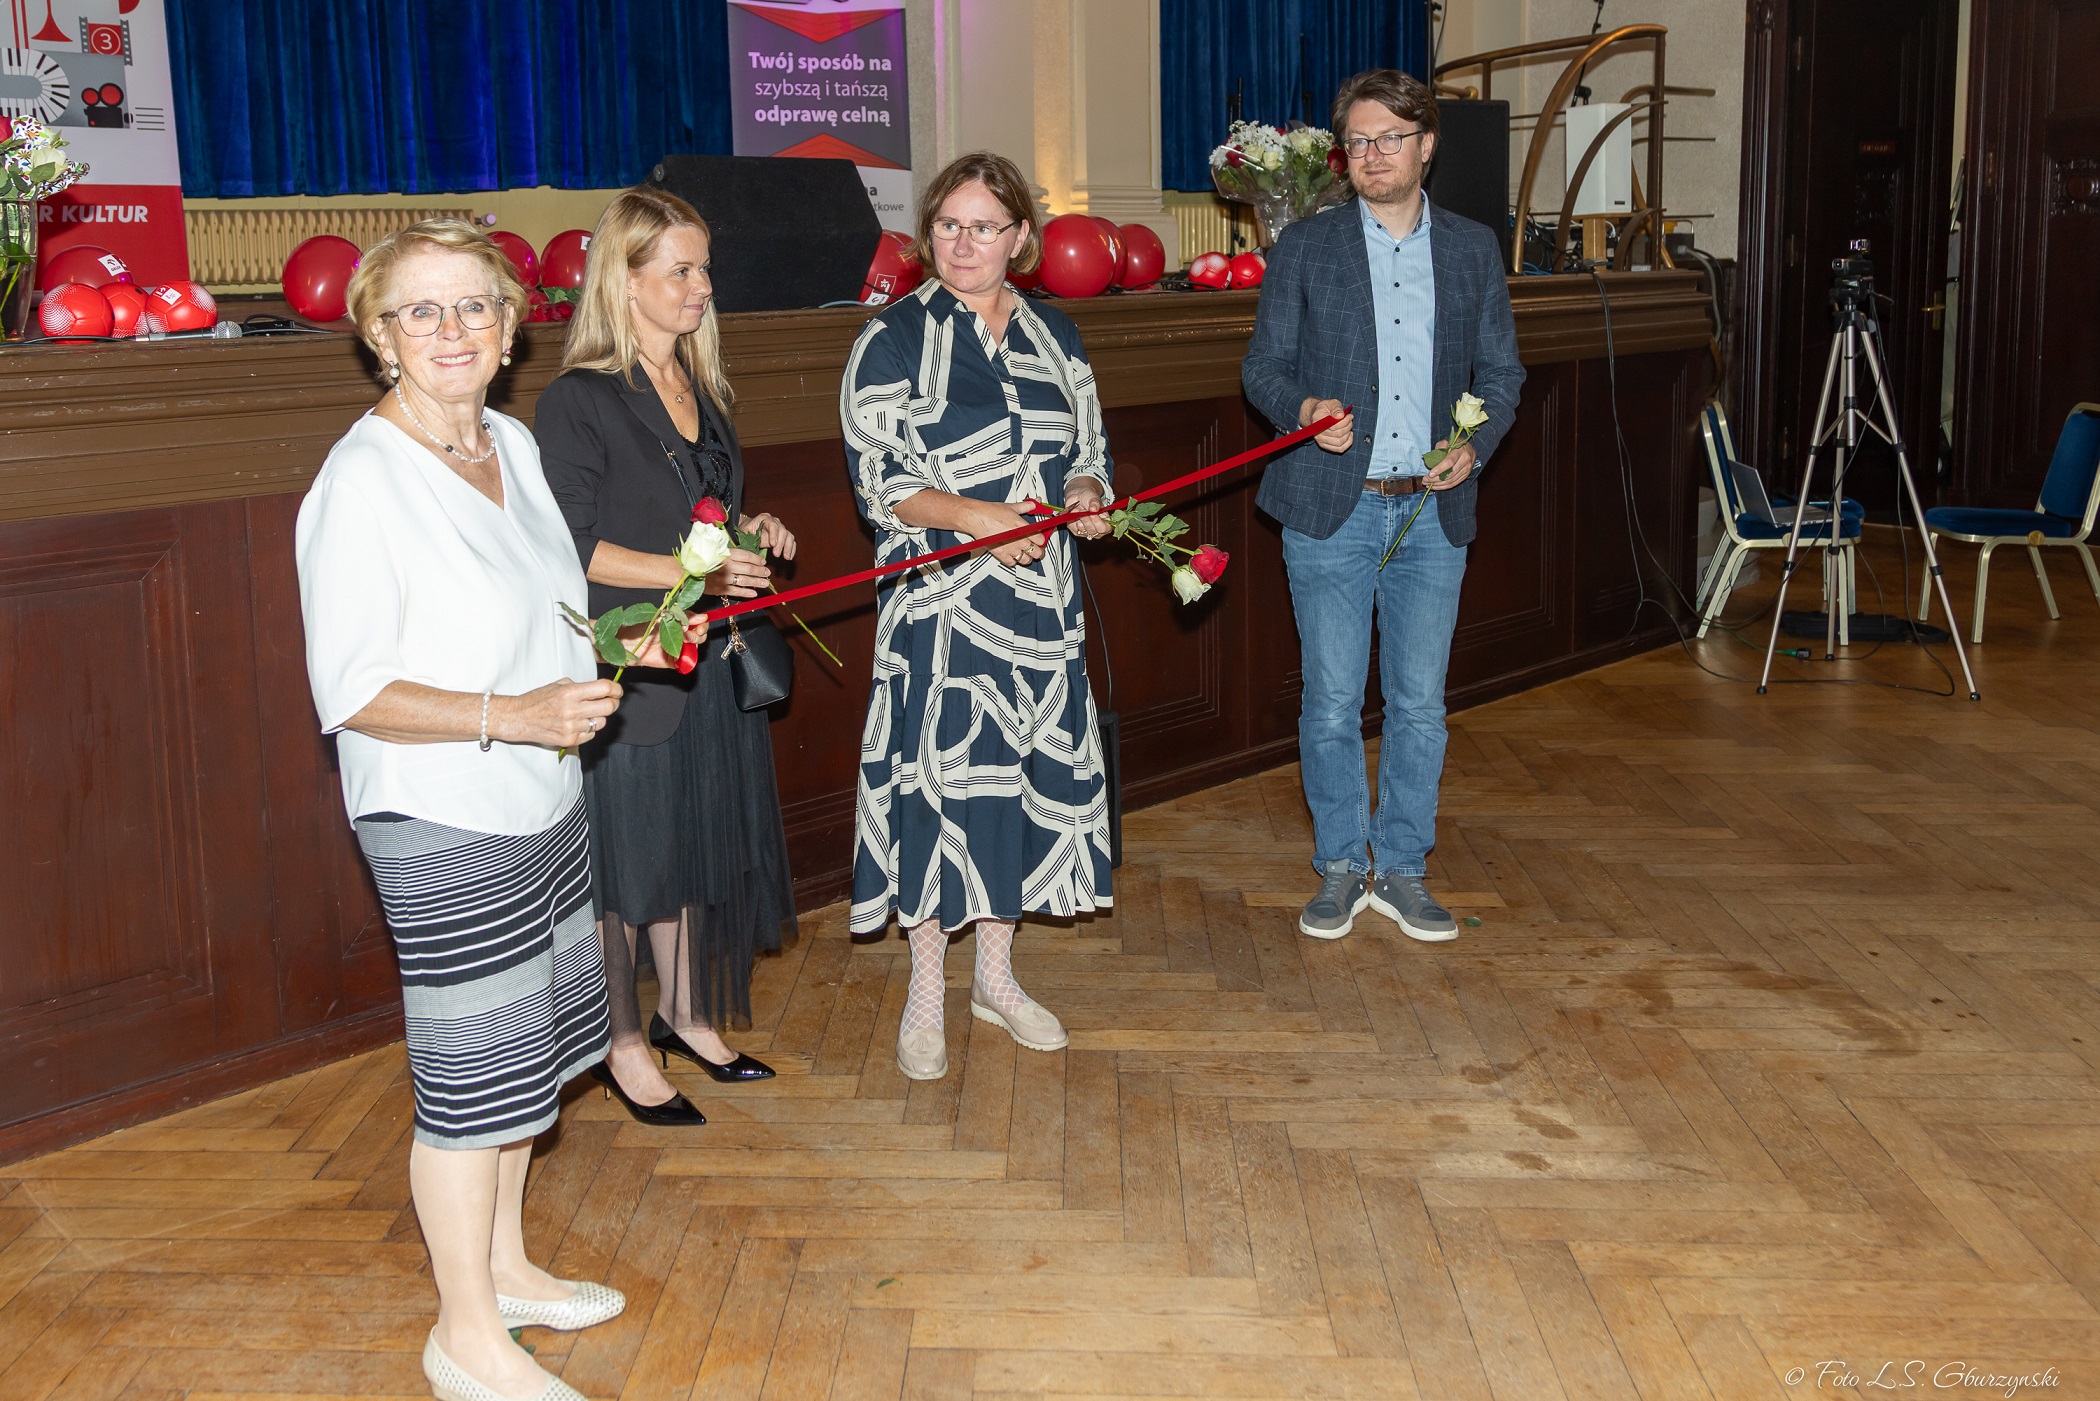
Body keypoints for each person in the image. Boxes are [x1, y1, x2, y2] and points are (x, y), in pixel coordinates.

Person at [296, 219, 692, 1401]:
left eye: (474, 304)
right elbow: (351, 691)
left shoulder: (512, 444)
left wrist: (632, 640)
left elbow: (549, 613)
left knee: (532, 1059)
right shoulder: (361, 482)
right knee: (472, 1087)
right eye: (420, 311)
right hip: (442, 813)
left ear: (513, 324)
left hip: (543, 798)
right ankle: (463, 1335)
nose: (452, 329)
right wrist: (509, 714)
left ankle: (508, 1272)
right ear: (379, 337)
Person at [841, 151, 1116, 1081]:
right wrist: (976, 519)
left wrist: (1086, 493)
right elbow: (881, 481)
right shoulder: (890, 338)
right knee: (939, 787)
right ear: (929, 234)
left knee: (1015, 786)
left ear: (1020, 237)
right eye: (949, 225)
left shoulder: (1056, 333)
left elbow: (1087, 449)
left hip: (1040, 604)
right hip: (941, 608)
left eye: (985, 227)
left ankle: (995, 977)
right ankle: (926, 991)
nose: (965, 243)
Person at [1242, 70, 1525, 944]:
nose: (1371, 155)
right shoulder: (1307, 246)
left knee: (1419, 705)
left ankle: (1402, 867)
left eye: (1389, 139)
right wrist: (1302, 409)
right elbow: (1262, 370)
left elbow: (1502, 375)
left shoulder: (1473, 248)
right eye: (1357, 142)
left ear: (1426, 145)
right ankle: (1340, 865)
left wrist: (1475, 445)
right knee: (1331, 701)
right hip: (1330, 510)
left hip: (1432, 515)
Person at [537, 187, 798, 1123]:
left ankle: (687, 1016)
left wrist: (753, 529)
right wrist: (697, 569)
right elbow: (572, 547)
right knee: (625, 868)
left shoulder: (700, 385)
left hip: (707, 660)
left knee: (690, 846)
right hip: (631, 668)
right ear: (624, 279)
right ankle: (620, 1044)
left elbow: (703, 515)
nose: (702, 285)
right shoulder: (578, 399)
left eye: (704, 267)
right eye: (681, 269)